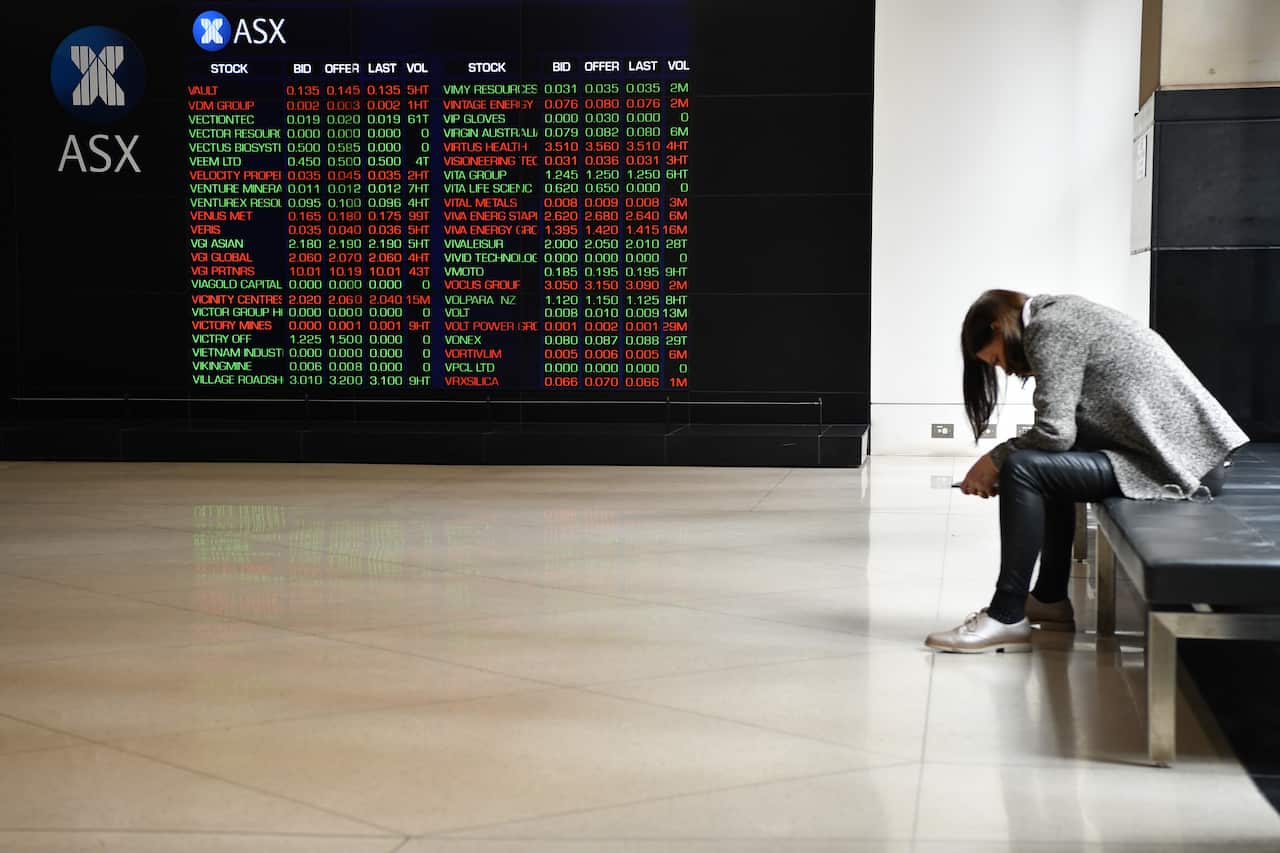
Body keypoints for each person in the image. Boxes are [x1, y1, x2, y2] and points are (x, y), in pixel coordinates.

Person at [925, 290, 1249, 653]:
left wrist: (993, 460)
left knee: (1022, 468)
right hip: (1184, 457)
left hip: (1181, 465)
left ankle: (1007, 615)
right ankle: (1048, 600)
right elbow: (1063, 433)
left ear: (998, 326)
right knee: (1037, 468)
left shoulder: (1050, 327)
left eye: (999, 359)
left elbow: (1054, 433)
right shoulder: (1061, 314)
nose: (1008, 370)